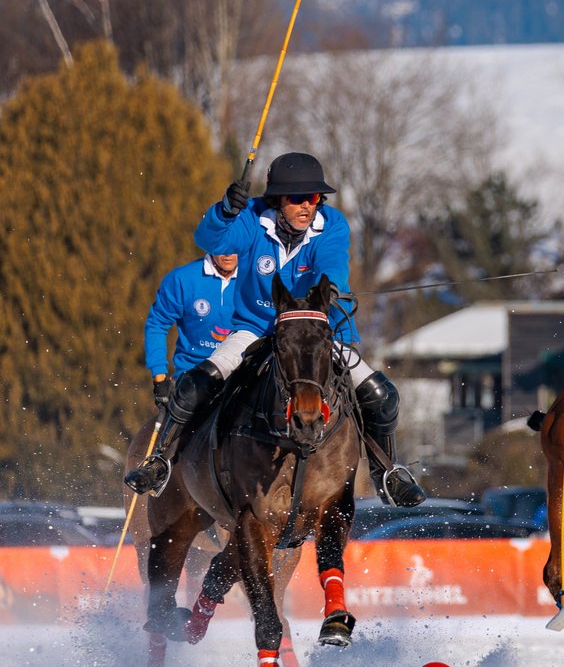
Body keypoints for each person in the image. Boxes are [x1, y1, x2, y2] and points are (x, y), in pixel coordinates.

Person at [123, 152, 426, 507]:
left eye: (313, 199)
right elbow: (211, 241)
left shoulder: (333, 224)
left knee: (382, 395)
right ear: (277, 200)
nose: (306, 207)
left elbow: (332, 261)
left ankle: (386, 472)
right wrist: (223, 212)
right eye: (297, 199)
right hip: (257, 329)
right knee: (195, 385)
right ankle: (160, 460)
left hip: (315, 333)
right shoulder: (252, 218)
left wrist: (328, 287)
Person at [143, 253, 239, 408]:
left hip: (242, 378)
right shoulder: (182, 279)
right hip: (193, 379)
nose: (228, 253)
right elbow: (157, 324)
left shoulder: (256, 280)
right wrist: (159, 376)